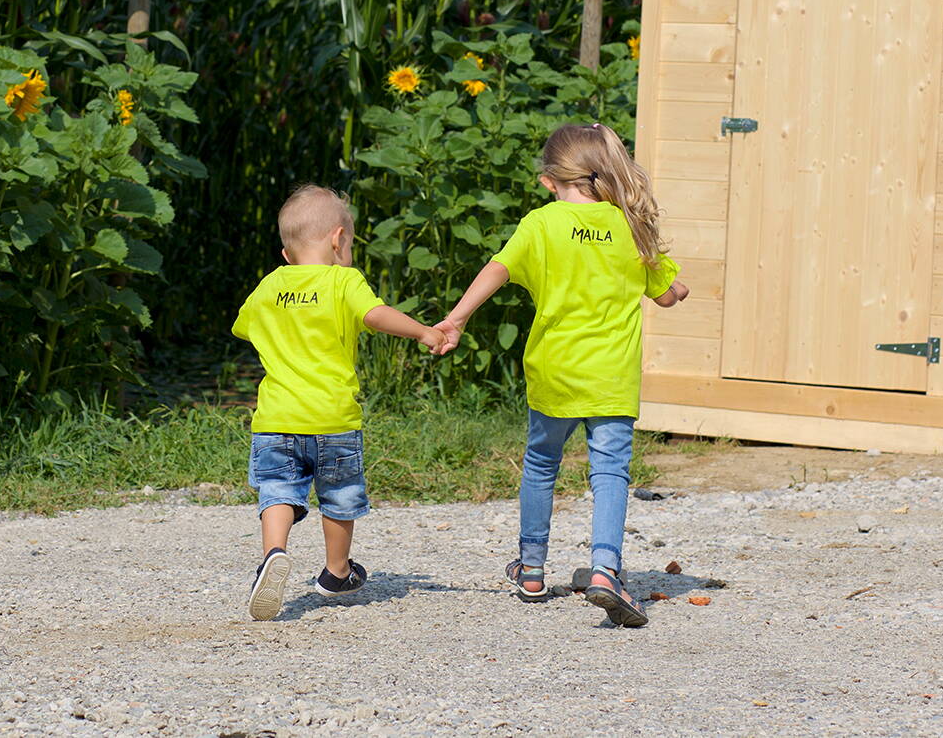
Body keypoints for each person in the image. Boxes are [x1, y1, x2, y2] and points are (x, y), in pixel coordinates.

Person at [433, 124, 688, 628]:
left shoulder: (542, 224)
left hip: (553, 371)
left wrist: (456, 318)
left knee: (541, 463)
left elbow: (497, 269)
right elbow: (665, 294)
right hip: (611, 377)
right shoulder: (629, 225)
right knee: (610, 472)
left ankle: (531, 568)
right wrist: (677, 289)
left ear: (551, 180)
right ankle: (605, 571)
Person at [232, 184, 447, 621]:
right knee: (339, 495)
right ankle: (336, 571)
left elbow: (243, 325)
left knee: (277, 490)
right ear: (338, 239)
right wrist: (424, 331)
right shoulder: (344, 280)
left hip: (276, 418)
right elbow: (375, 315)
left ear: (287, 253)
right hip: (332, 418)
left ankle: (274, 553)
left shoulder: (270, 284)